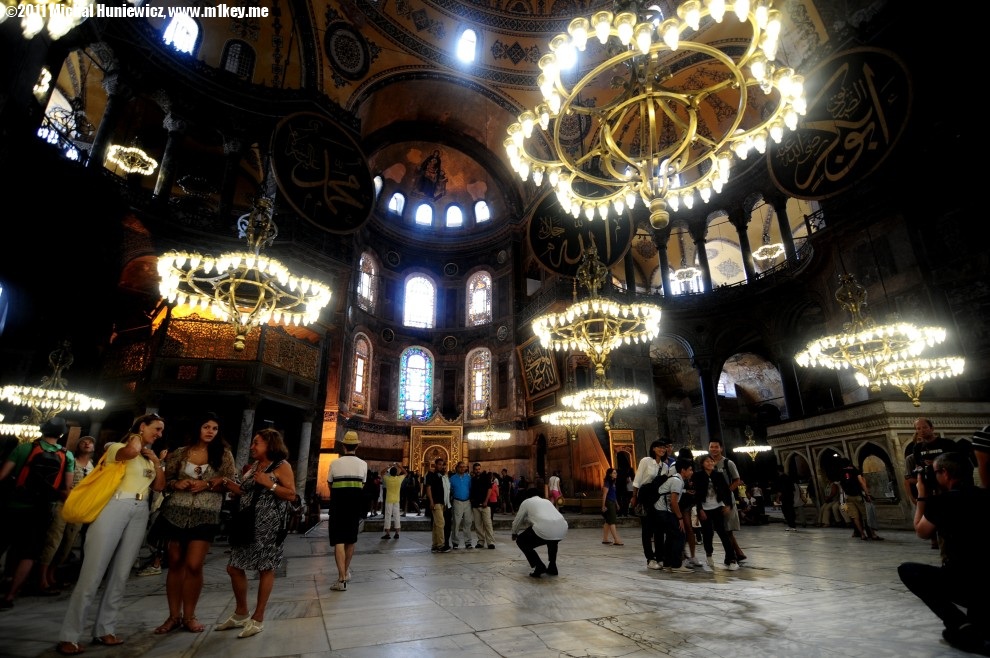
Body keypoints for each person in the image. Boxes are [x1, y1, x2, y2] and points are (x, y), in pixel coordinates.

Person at [56, 413, 166, 655]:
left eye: (161, 431)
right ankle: (69, 635)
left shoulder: (148, 458)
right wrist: (137, 437)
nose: (159, 434)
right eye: (156, 429)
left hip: (140, 510)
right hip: (114, 506)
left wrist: (156, 461)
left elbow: (159, 486)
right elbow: (130, 451)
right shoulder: (117, 447)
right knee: (92, 573)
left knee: (121, 574)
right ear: (141, 426)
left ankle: (105, 628)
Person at [897, 451, 990, 654]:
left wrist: (922, 495)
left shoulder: (943, 502)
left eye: (935, 472)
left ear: (945, 474)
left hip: (964, 582)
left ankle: (959, 623)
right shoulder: (986, 496)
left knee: (908, 571)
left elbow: (921, 531)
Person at [154, 412, 236, 634]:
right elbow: (166, 481)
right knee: (176, 563)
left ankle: (190, 615)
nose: (210, 431)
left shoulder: (223, 455)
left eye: (215, 428)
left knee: (193, 564)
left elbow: (231, 483)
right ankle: (173, 616)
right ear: (197, 428)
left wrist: (207, 484)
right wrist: (177, 484)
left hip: (205, 512)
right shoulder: (180, 453)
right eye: (206, 426)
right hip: (176, 512)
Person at [215, 428, 295, 638]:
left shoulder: (281, 466)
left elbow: (291, 494)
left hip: (269, 525)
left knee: (265, 568)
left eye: (256, 443)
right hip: (247, 523)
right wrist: (225, 482)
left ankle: (258, 617)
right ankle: (241, 612)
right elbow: (244, 490)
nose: (252, 446)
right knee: (234, 567)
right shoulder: (254, 467)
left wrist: (270, 484)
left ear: (269, 444)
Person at [0, 416, 75, 609]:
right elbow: (67, 488)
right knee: (29, 553)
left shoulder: (24, 448)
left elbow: (2, 475)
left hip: (14, 505)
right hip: (42, 509)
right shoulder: (67, 456)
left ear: (42, 430)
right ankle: (10, 596)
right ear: (61, 434)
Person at [38, 435, 95, 594]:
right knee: (53, 539)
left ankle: (52, 574)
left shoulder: (93, 466)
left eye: (90, 442)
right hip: (63, 503)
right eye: (83, 441)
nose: (87, 443)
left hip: (79, 508)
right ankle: (41, 577)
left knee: (68, 542)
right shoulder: (69, 460)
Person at [325, 431, 367, 590]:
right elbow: (362, 486)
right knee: (351, 540)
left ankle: (341, 578)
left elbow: (329, 484)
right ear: (357, 445)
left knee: (338, 541)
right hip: (354, 507)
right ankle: (345, 573)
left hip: (338, 506)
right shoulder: (363, 464)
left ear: (343, 446)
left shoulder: (335, 463)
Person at [629, 439, 672, 571]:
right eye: (659, 447)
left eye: (664, 448)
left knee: (659, 529)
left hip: (658, 498)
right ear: (653, 448)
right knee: (647, 530)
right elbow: (638, 480)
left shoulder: (665, 466)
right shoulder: (646, 461)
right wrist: (634, 496)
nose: (662, 449)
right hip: (645, 497)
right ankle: (650, 558)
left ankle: (660, 556)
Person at [511, 482, 568, 577]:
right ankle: (552, 566)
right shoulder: (547, 501)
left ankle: (539, 565)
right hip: (562, 528)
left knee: (521, 540)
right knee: (552, 540)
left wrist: (514, 533)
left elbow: (518, 520)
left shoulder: (527, 502)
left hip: (545, 528)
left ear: (527, 496)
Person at [694, 455, 738, 571]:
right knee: (708, 533)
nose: (709, 463)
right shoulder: (698, 476)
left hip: (718, 506)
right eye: (707, 461)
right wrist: (699, 509)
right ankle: (709, 554)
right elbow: (697, 494)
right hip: (705, 508)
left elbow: (726, 490)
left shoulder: (718, 475)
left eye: (711, 461)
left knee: (723, 533)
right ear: (702, 464)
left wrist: (728, 504)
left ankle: (732, 559)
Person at [709, 440, 747, 562]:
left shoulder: (728, 463)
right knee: (722, 527)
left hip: (726, 499)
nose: (714, 449)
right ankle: (737, 552)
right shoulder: (708, 462)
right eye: (711, 447)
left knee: (727, 527)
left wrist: (727, 492)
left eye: (716, 447)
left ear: (721, 448)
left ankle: (733, 554)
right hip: (714, 499)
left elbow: (737, 480)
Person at [656, 459, 695, 574]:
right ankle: (676, 565)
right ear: (683, 470)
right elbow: (674, 502)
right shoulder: (677, 481)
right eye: (690, 470)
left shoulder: (676, 480)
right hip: (664, 511)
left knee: (671, 536)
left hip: (661, 511)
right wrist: (680, 518)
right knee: (680, 535)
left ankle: (668, 563)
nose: (692, 472)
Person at [837, 458, 882, 541]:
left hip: (847, 497)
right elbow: (861, 482)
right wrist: (867, 494)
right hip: (858, 496)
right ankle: (872, 534)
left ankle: (862, 535)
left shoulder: (841, 472)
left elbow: (841, 488)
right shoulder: (854, 470)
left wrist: (842, 501)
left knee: (855, 517)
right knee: (866, 516)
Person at [425, 457, 451, 552]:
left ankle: (435, 544)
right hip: (435, 502)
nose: (441, 466)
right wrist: (431, 501)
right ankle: (441, 545)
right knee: (441, 523)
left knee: (436, 524)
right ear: (435, 465)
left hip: (442, 502)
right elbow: (428, 488)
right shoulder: (431, 475)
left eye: (442, 464)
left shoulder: (442, 475)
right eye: (439, 464)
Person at [448, 460, 473, 549]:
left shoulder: (468, 478)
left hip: (467, 502)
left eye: (464, 467)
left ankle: (468, 542)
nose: (463, 468)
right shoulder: (452, 478)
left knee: (468, 522)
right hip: (457, 501)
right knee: (456, 522)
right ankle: (455, 542)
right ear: (457, 468)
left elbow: (471, 489)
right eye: (461, 467)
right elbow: (449, 491)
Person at [470, 463, 495, 549]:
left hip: (485, 505)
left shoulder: (485, 478)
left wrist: (486, 501)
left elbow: (489, 489)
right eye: (476, 469)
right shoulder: (472, 479)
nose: (477, 471)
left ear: (480, 469)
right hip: (476, 505)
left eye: (478, 469)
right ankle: (480, 541)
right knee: (478, 525)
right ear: (473, 470)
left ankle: (490, 542)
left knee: (488, 524)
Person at [380, 462, 405, 539]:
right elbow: (405, 473)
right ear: (396, 473)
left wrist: (388, 466)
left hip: (389, 500)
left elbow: (381, 472)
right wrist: (400, 466)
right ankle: (397, 533)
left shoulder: (387, 479)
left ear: (390, 473)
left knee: (388, 516)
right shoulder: (399, 479)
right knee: (397, 516)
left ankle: (387, 534)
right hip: (396, 500)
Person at [600, 467, 623, 546]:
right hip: (608, 503)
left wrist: (617, 504)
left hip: (612, 502)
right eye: (614, 473)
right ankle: (616, 539)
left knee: (608, 521)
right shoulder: (607, 482)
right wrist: (603, 505)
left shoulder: (613, 482)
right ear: (610, 474)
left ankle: (605, 538)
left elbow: (614, 494)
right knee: (612, 521)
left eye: (616, 473)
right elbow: (604, 494)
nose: (616, 474)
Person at [776, 465, 798, 531]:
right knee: (791, 510)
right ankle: (793, 525)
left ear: (778, 471)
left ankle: (790, 525)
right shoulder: (788, 477)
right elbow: (793, 489)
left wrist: (778, 498)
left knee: (786, 511)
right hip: (790, 496)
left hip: (785, 497)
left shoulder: (781, 478)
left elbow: (781, 490)